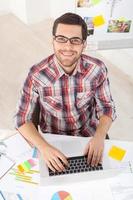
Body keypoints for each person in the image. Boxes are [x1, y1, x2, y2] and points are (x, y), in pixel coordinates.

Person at [14, 12, 116, 172]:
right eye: (61, 39)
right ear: (53, 41)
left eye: (75, 41)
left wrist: (99, 136)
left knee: (104, 180)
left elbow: (107, 107)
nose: (68, 47)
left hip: (89, 138)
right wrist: (43, 147)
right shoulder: (37, 74)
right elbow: (21, 120)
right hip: (52, 143)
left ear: (84, 44)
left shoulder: (97, 69)